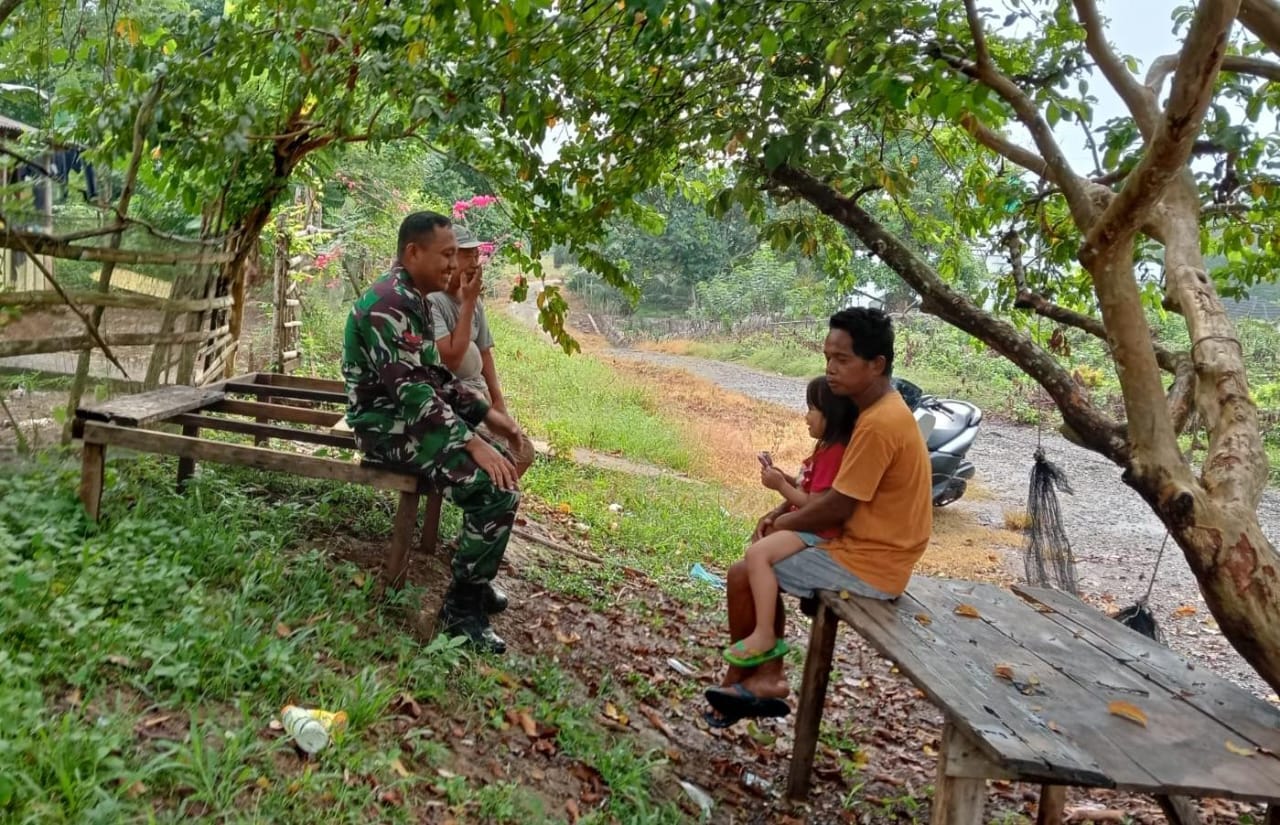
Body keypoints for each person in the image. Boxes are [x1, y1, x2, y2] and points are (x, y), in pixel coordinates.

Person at [704, 307, 932, 726]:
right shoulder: (876, 412)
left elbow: (838, 505)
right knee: (749, 566)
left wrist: (782, 523)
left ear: (877, 364)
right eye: (827, 357)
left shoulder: (880, 424)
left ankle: (756, 677)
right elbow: (830, 494)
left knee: (746, 570)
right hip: (863, 547)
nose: (830, 369)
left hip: (871, 563)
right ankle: (757, 678)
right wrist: (782, 512)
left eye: (842, 360)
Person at [341, 210, 523, 655]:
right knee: (494, 488)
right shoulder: (388, 302)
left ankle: (472, 585)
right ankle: (460, 612)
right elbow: (413, 397)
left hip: (412, 420)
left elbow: (434, 377)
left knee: (502, 466)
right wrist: (472, 442)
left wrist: (485, 414)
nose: (452, 265)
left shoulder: (413, 297)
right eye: (445, 255)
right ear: (412, 253)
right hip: (385, 429)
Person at [721, 377, 859, 669]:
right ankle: (763, 641)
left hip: (816, 530)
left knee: (757, 555)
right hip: (806, 524)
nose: (806, 416)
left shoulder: (835, 453)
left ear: (831, 413)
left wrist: (779, 488)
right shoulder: (825, 447)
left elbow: (816, 504)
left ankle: (764, 634)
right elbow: (809, 488)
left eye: (812, 409)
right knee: (758, 551)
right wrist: (784, 479)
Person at [426, 225, 536, 476]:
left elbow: (485, 352)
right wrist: (468, 301)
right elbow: (450, 359)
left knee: (524, 452)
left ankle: (498, 495)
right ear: (450, 258)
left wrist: (498, 402)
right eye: (467, 255)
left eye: (476, 255)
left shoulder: (475, 303)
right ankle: (489, 497)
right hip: (455, 400)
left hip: (480, 396)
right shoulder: (434, 301)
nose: (474, 262)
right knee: (506, 455)